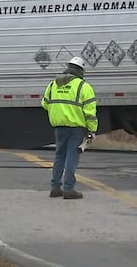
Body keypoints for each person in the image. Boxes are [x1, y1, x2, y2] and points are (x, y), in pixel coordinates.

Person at [41, 56, 98, 199]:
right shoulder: (83, 86)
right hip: (76, 128)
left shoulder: (53, 84)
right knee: (72, 156)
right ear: (81, 70)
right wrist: (92, 129)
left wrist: (59, 111)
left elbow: (45, 103)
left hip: (59, 126)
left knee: (59, 155)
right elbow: (90, 112)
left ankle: (55, 188)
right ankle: (68, 189)